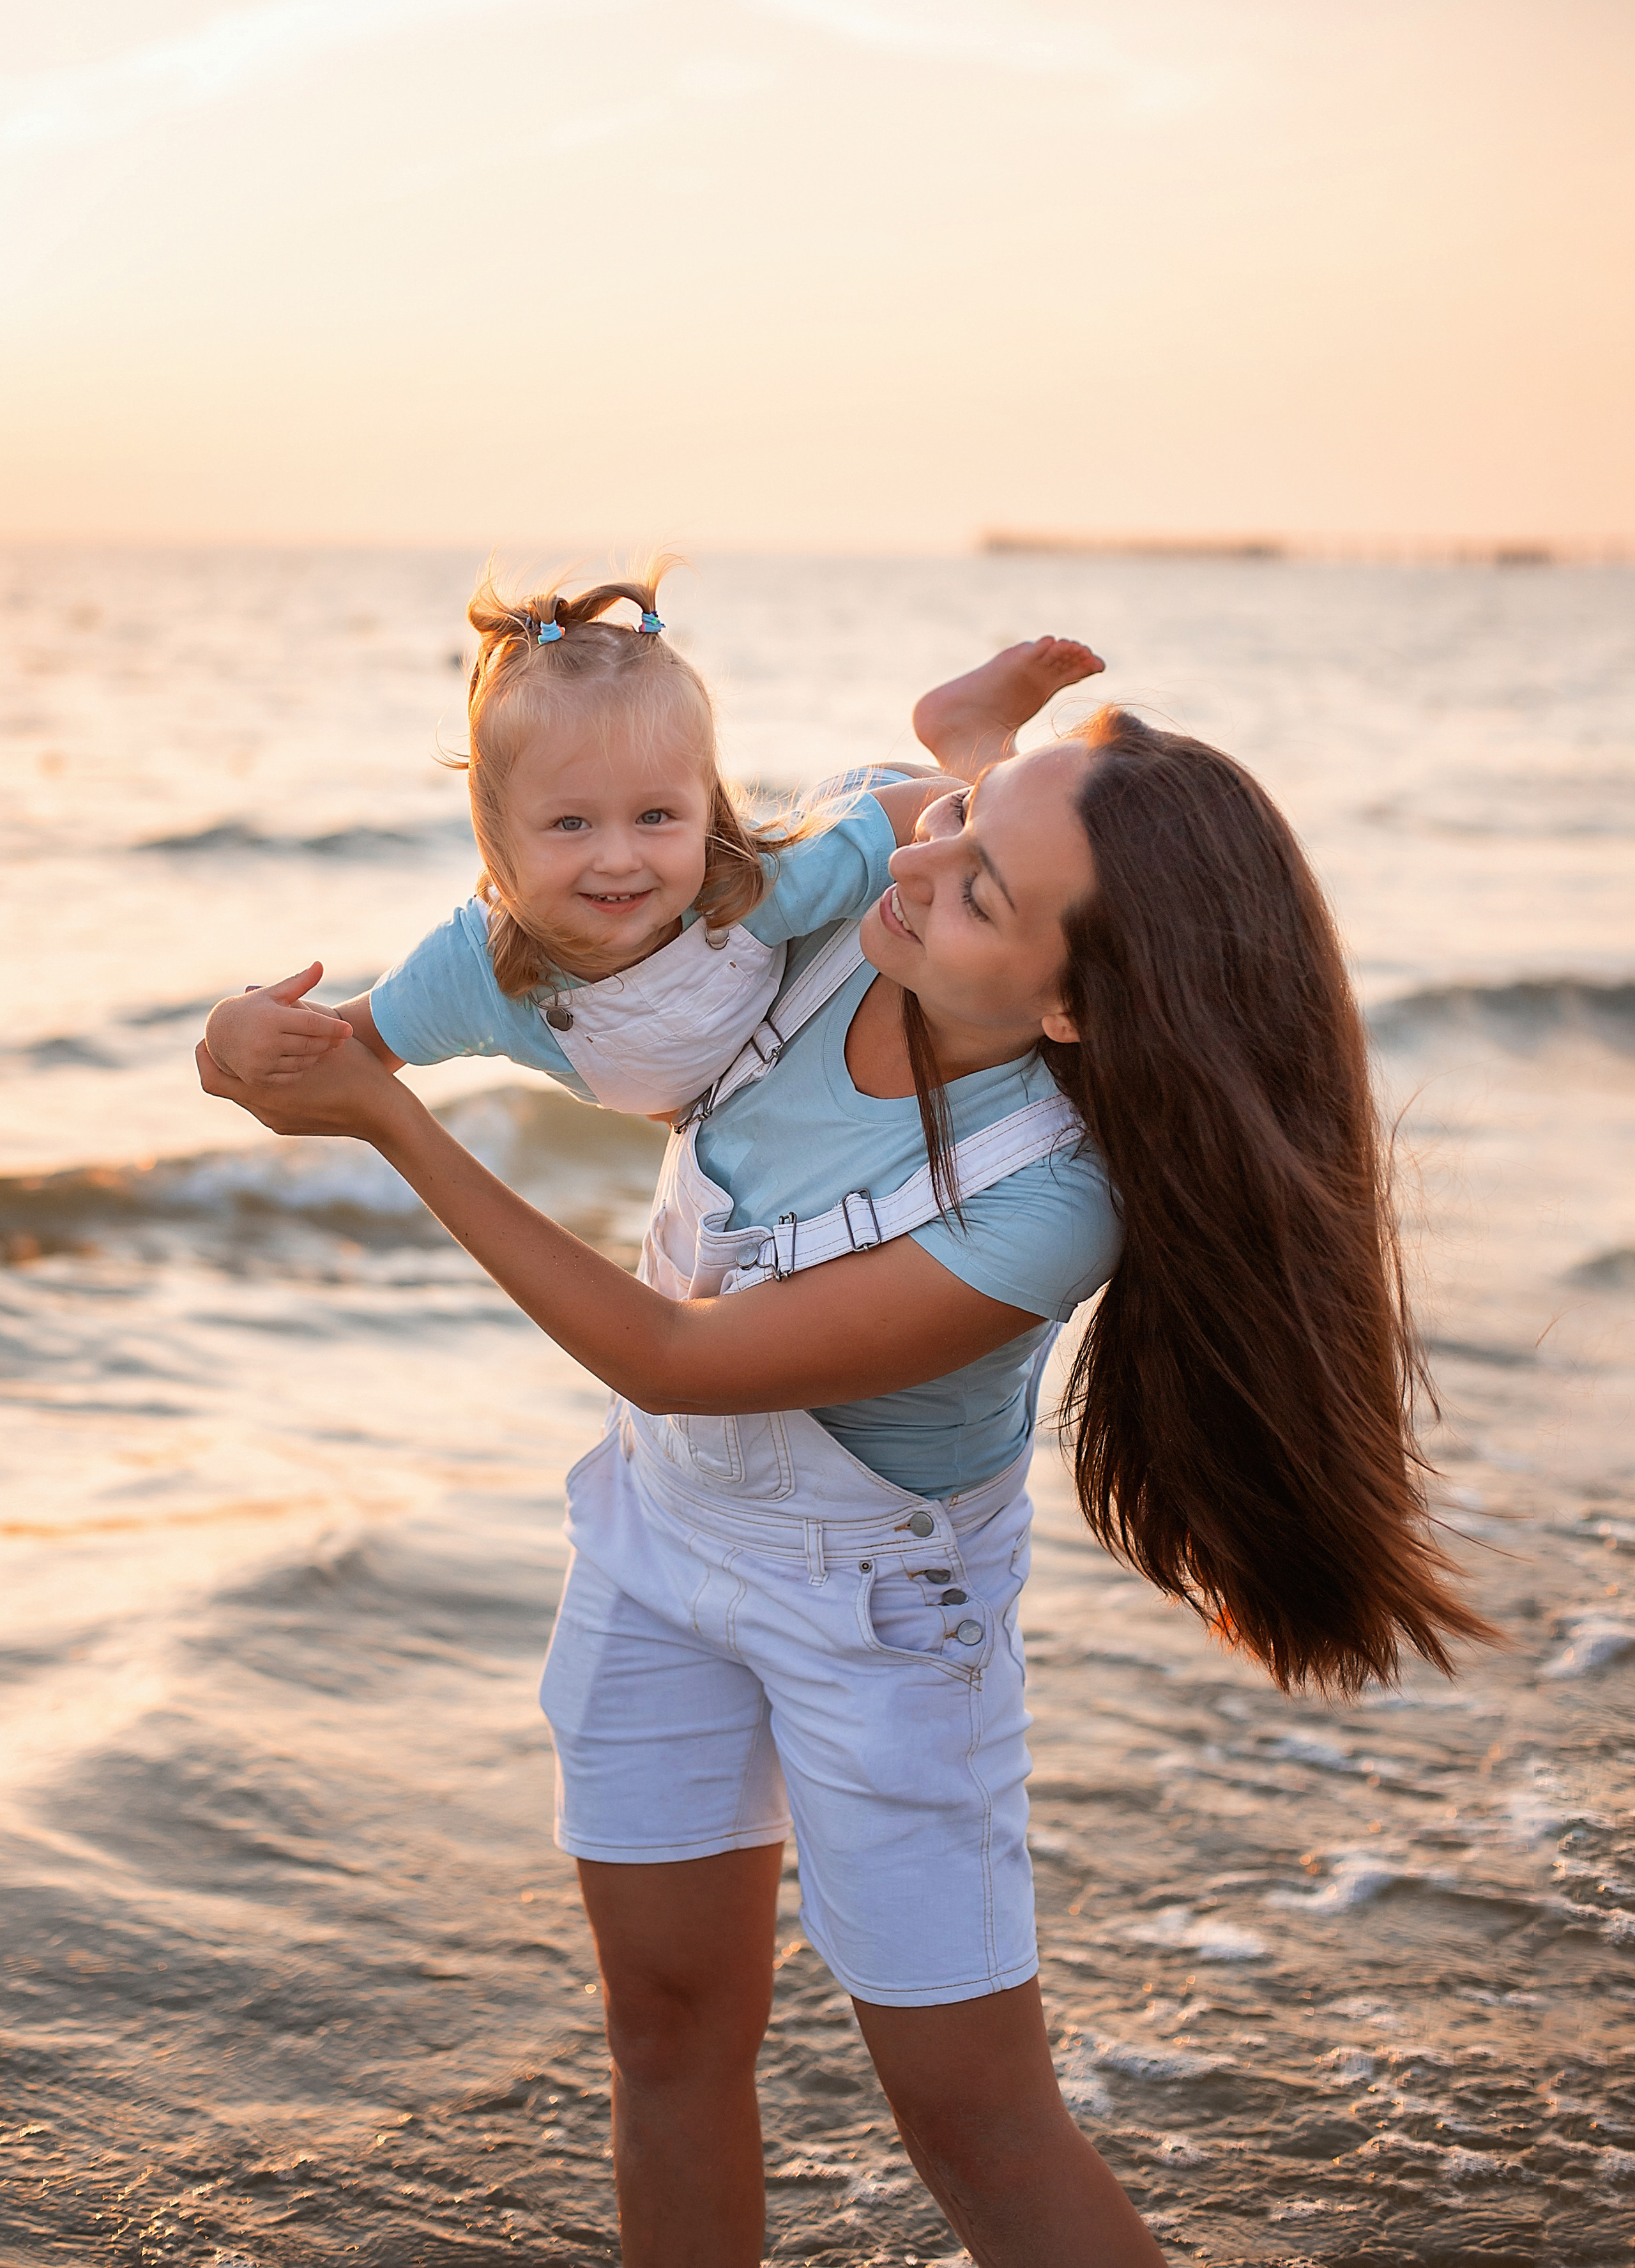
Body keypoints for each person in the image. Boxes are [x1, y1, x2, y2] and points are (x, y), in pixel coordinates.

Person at [196, 697, 1493, 2268]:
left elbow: (673, 1356)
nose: (918, 863)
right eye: (958, 816)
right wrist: (289, 1036)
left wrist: (390, 1125)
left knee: (973, 2122)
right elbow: (553, 930)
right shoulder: (828, 917)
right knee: (663, 2030)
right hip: (656, 1541)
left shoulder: (1047, 1207)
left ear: (1072, 1008)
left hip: (876, 1621)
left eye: (979, 886)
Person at [202, 558, 1100, 1119]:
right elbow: (348, 1044)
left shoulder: (747, 890)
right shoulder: (476, 973)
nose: (620, 857)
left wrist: (979, 780)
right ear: (496, 834)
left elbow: (927, 823)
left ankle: (969, 736)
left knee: (980, 831)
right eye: (570, 824)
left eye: (657, 817)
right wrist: (237, 1029)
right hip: (700, 1086)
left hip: (847, 821)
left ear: (706, 811)